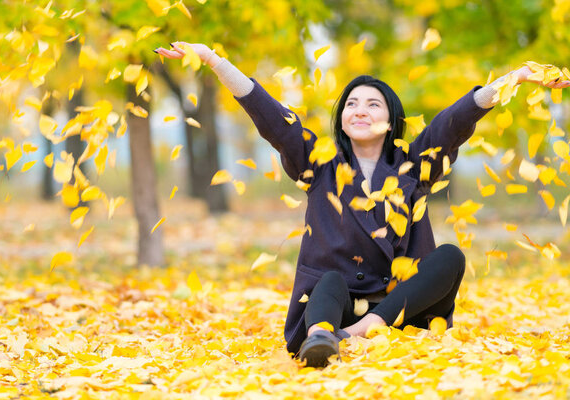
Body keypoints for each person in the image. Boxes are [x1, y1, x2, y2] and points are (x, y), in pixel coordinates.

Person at [157, 43, 570, 367]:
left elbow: (454, 122)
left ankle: (360, 333)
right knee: (330, 281)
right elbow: (270, 118)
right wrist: (212, 60)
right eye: (352, 103)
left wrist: (513, 78)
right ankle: (322, 339)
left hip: (399, 309)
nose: (360, 110)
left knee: (450, 257)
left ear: (391, 120)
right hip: (330, 309)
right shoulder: (316, 163)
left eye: (374, 104)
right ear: (341, 119)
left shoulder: (414, 165)